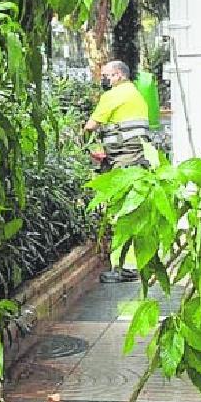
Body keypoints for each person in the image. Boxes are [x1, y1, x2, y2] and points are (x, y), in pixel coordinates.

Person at [84, 59, 153, 284]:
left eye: (107, 75)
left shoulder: (113, 95)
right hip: (138, 158)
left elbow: (90, 126)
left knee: (121, 215)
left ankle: (119, 269)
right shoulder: (135, 93)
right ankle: (134, 265)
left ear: (119, 76)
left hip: (124, 161)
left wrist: (86, 145)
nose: (103, 79)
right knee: (133, 212)